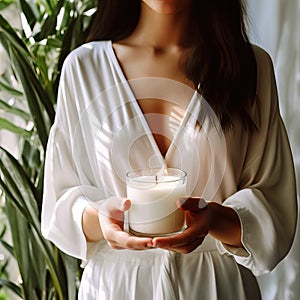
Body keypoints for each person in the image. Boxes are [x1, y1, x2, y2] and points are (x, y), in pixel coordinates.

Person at [41, 0, 297, 299]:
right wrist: (102, 219)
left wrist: (212, 219)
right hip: (116, 288)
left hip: (216, 286)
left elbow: (274, 205)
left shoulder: (250, 67)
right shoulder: (84, 68)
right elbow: (60, 202)